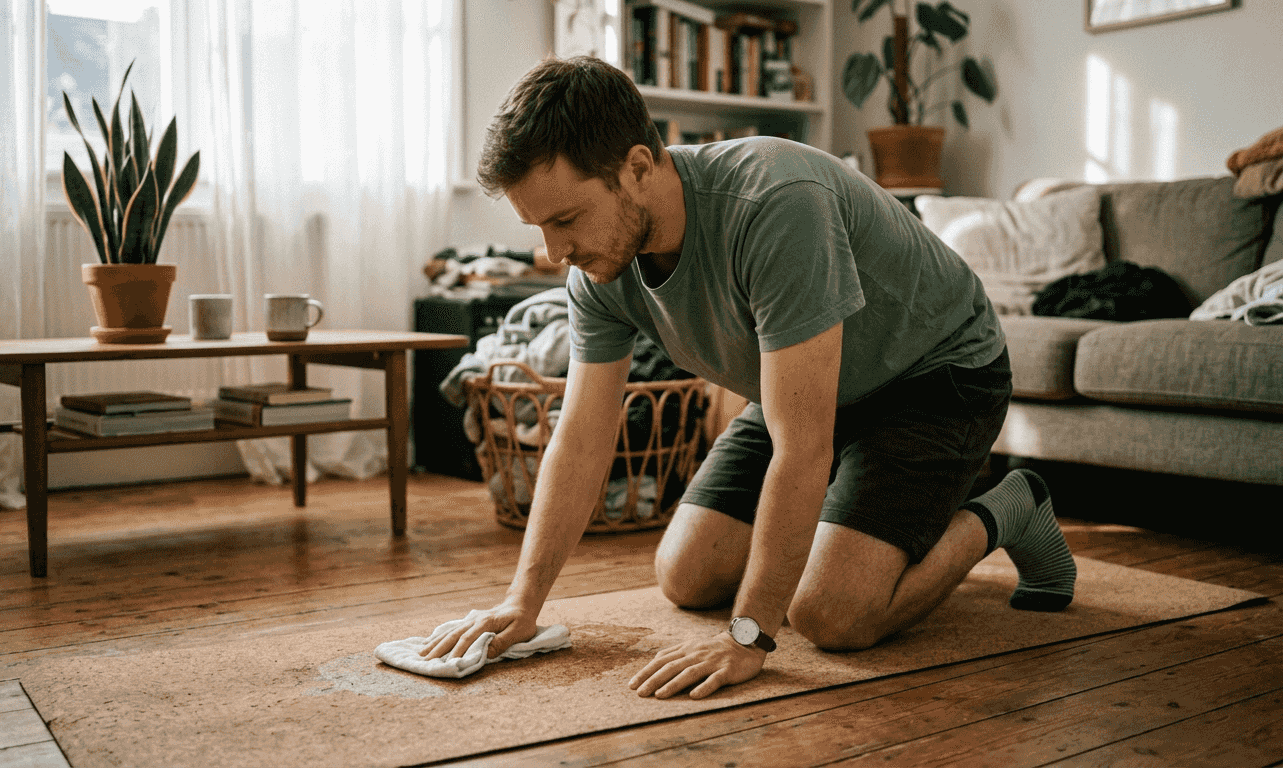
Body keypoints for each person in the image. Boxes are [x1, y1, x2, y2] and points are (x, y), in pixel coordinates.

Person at [421, 56, 1076, 700]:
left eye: (565, 219)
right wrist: (522, 600)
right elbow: (583, 435)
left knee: (829, 614)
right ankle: (856, 523)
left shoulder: (774, 201)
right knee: (686, 573)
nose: (555, 251)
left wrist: (749, 637)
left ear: (638, 168)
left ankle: (1011, 506)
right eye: (538, 227)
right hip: (807, 385)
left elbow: (802, 447)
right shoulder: (598, 271)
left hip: (935, 374)